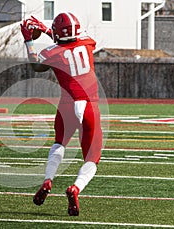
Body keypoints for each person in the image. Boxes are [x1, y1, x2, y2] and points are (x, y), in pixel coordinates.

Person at [21, 12, 103, 216]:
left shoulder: (52, 52)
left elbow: (36, 65)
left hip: (67, 105)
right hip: (89, 104)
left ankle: (48, 179)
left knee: (59, 143)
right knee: (92, 158)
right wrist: (47, 30)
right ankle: (75, 188)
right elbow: (67, 41)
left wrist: (29, 40)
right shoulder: (88, 42)